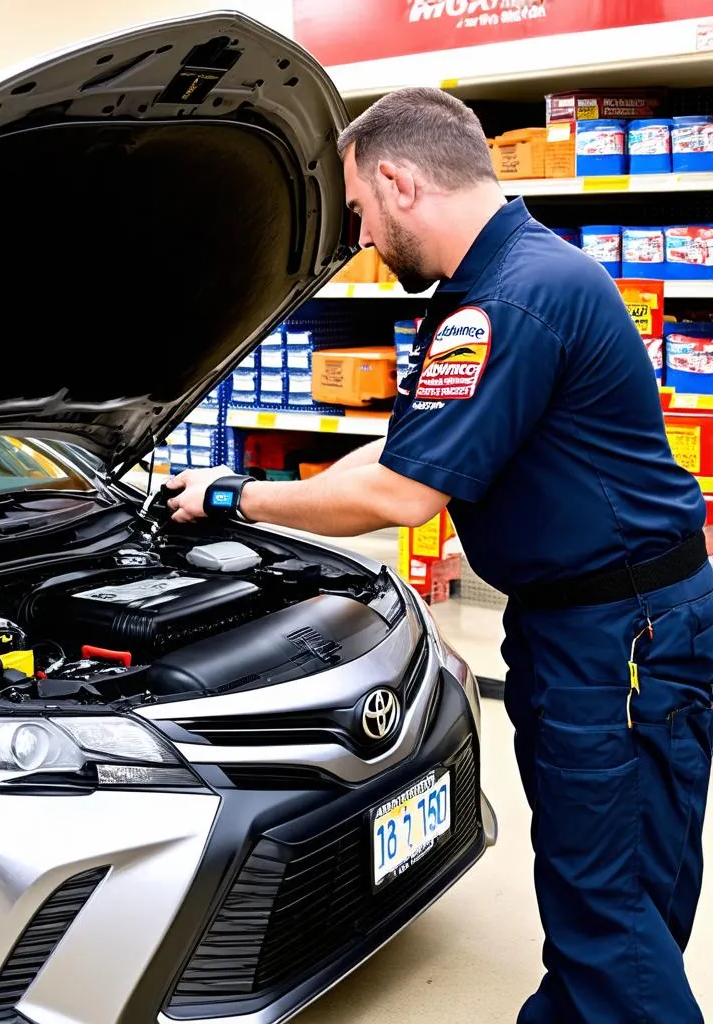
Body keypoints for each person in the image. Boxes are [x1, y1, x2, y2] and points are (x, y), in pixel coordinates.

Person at [164, 86, 713, 1024]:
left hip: (618, 641)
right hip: (607, 627)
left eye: (362, 211)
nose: (365, 237)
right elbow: (411, 447)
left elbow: (399, 495)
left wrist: (241, 498)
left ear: (398, 179)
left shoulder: (508, 301)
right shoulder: (508, 281)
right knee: (619, 891)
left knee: (611, 910)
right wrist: (226, 483)